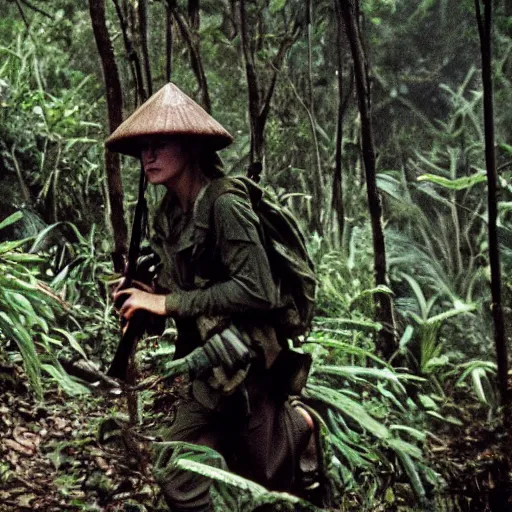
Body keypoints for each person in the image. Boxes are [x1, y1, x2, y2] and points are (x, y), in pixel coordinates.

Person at [106, 83, 319, 512]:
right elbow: (185, 291)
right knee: (175, 468)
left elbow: (258, 289)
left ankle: (300, 427)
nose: (148, 156)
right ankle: (288, 433)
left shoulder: (225, 205)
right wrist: (148, 298)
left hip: (249, 358)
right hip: (209, 365)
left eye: (160, 144)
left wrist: (167, 304)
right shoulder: (168, 215)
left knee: (273, 477)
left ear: (190, 147)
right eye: (144, 147)